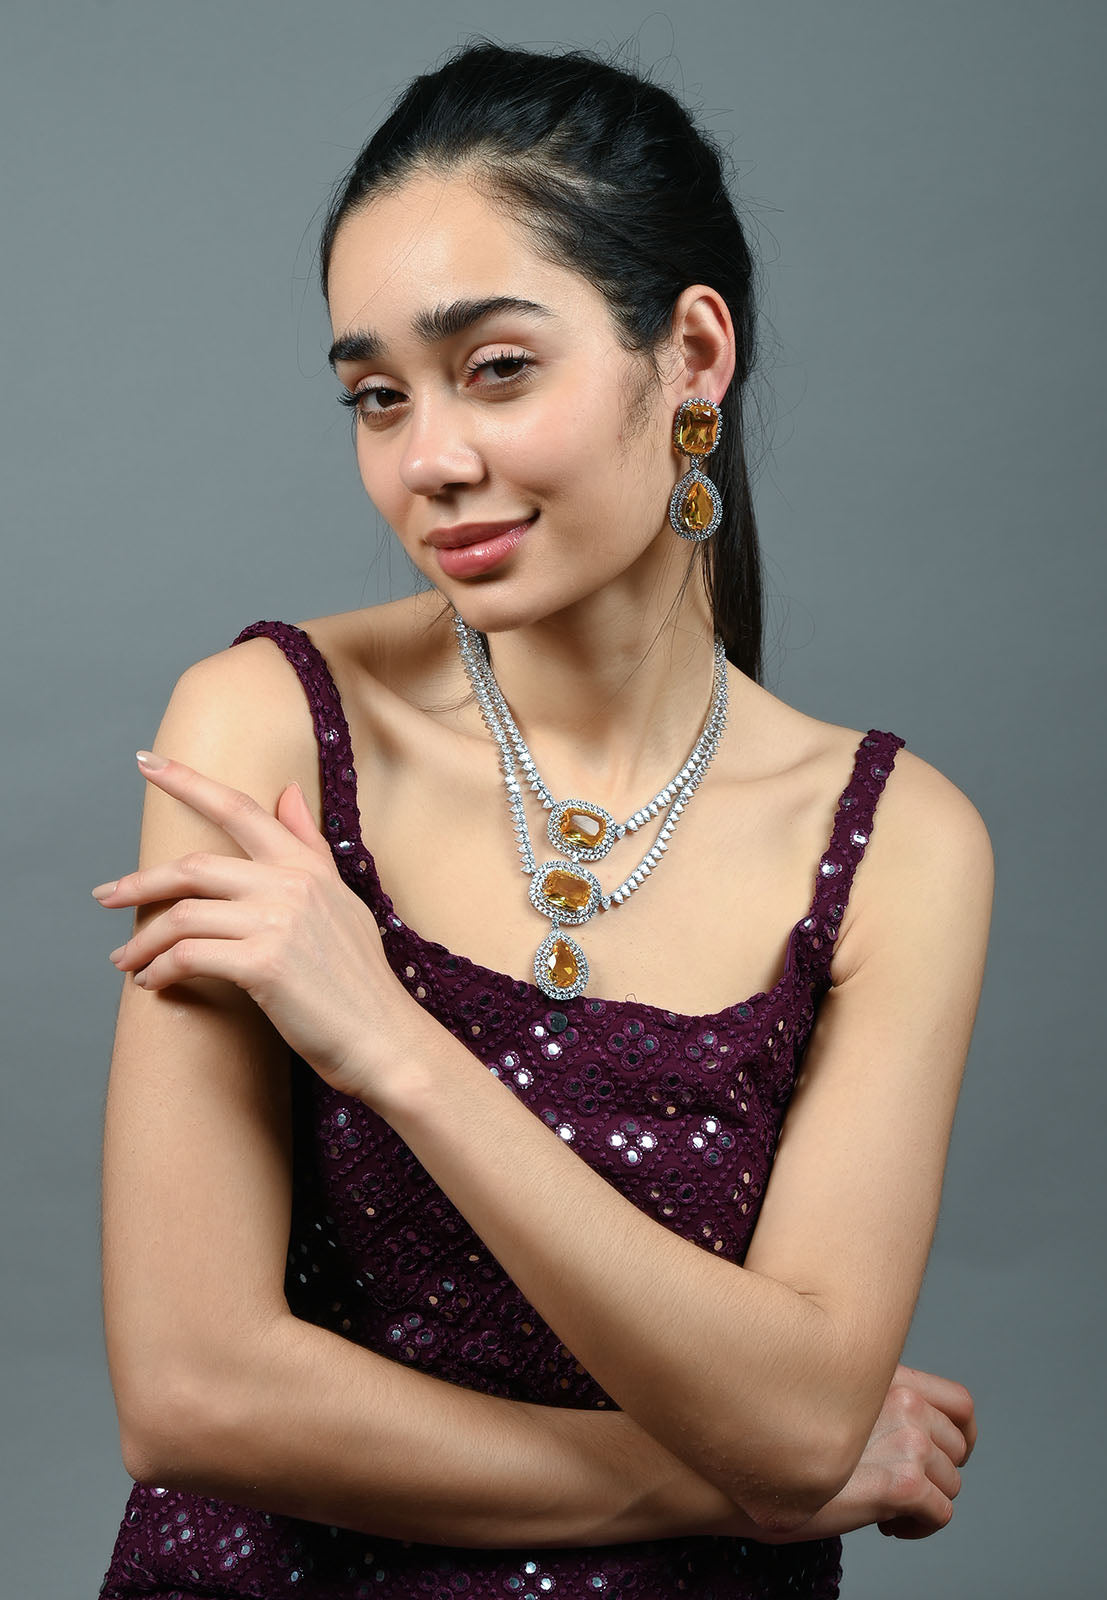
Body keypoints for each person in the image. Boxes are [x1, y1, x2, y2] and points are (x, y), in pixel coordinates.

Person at [94, 39, 992, 1600]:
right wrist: (734, 1485)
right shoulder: (262, 729)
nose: (430, 461)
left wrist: (394, 1044)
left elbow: (801, 1421)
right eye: (378, 397)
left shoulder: (900, 844)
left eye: (498, 368)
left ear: (692, 355)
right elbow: (193, 1394)